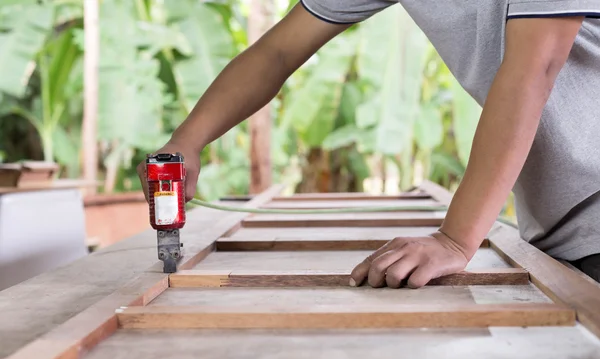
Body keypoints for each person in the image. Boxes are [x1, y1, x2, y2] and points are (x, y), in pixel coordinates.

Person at [138, 0, 600, 286]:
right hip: (564, 233)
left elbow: (534, 69)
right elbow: (277, 51)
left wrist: (455, 240)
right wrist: (187, 141)